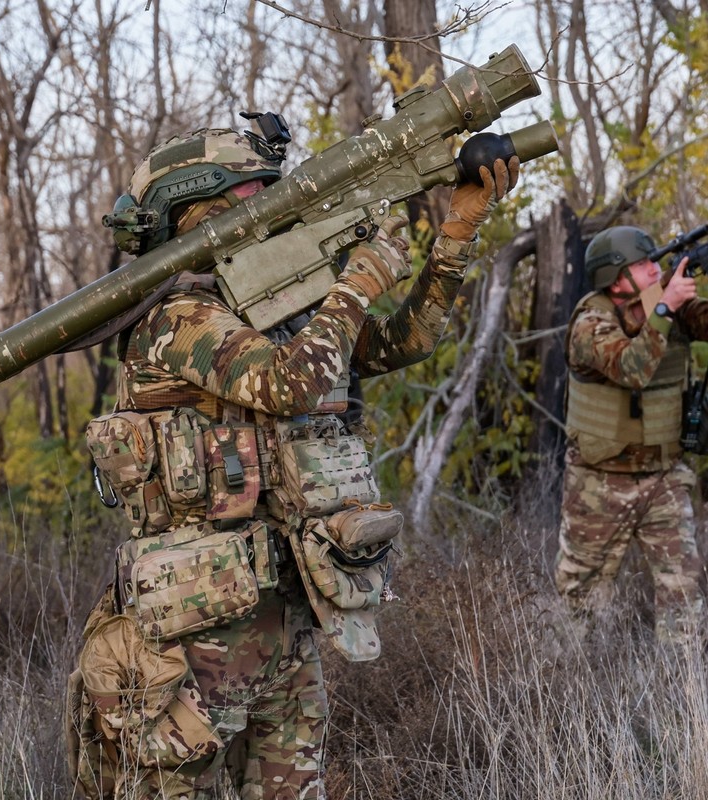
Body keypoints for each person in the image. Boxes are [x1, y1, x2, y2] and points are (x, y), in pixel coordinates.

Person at [66, 125, 520, 799]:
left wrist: (457, 229)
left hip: (285, 615)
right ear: (197, 208)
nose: (273, 205)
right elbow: (286, 384)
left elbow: (404, 341)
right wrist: (360, 278)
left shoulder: (278, 306)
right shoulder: (178, 318)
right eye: (254, 193)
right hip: (193, 639)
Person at [554, 225, 708, 643]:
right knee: (579, 598)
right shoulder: (590, 323)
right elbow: (632, 369)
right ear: (615, 278)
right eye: (642, 265)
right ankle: (557, 695)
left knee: (682, 594)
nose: (655, 270)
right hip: (598, 483)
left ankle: (681, 698)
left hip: (663, 476)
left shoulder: (665, 305)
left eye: (654, 260)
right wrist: (666, 307)